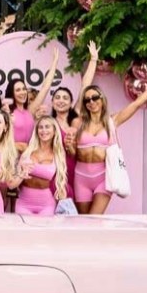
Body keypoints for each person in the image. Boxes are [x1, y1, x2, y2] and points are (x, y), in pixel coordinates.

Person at [69, 68, 147, 215]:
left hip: (103, 178)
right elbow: (74, 153)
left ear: (102, 99)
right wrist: (69, 147)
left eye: (95, 98)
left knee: (94, 219)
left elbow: (137, 103)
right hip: (81, 177)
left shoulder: (112, 121)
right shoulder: (78, 123)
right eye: (87, 100)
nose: (91, 102)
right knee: (83, 220)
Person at [52, 41, 99, 199]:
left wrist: (93, 59)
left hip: (77, 170)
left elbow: (85, 85)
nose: (61, 100)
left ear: (71, 102)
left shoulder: (76, 117)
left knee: (74, 214)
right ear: (52, 102)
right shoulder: (48, 123)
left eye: (65, 98)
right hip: (55, 172)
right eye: (57, 97)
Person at [4, 47, 59, 153]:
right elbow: (1, 140)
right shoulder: (7, 112)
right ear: (12, 93)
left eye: (24, 89)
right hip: (12, 157)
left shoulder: (30, 110)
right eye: (18, 90)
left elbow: (45, 87)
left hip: (29, 157)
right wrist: (17, 146)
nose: (22, 92)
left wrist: (55, 63)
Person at [16, 117, 68, 216]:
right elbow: (4, 145)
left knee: (44, 231)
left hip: (47, 205)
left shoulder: (59, 154)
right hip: (23, 203)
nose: (44, 130)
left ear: (54, 131)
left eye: (47, 127)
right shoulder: (27, 149)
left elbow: (61, 181)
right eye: (40, 127)